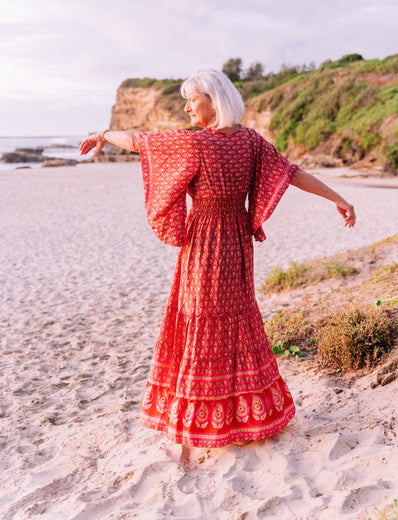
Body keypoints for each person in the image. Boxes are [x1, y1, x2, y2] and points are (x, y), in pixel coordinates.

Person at [80, 70, 356, 448]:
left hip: (205, 243)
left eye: (193, 99)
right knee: (237, 321)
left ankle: (208, 421)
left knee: (201, 320)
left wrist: (103, 134)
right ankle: (248, 416)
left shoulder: (195, 144)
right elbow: (291, 173)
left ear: (214, 100)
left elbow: (139, 142)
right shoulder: (250, 141)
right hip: (237, 241)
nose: (187, 106)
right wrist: (336, 197)